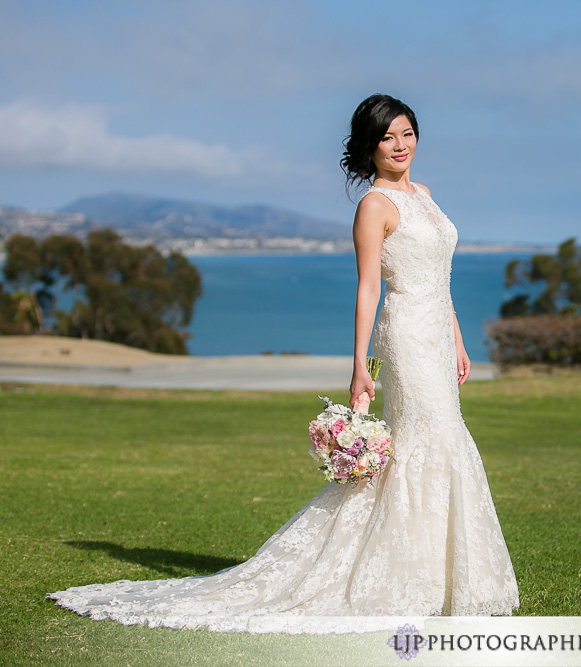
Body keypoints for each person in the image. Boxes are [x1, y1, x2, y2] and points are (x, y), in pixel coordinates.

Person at [46, 94, 520, 633]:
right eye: (387, 138)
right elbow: (369, 288)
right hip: (407, 337)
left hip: (438, 335)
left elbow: (441, 280)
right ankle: (400, 578)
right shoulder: (374, 206)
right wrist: (361, 364)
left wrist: (458, 340)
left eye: (406, 133)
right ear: (369, 148)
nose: (399, 146)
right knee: (422, 443)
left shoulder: (427, 197)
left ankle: (441, 579)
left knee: (441, 441)